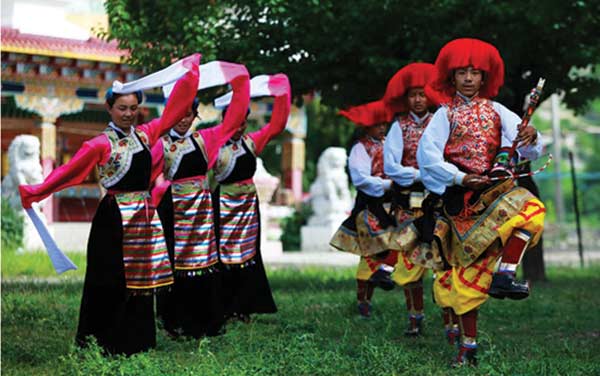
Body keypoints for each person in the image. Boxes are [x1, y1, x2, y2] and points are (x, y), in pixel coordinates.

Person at [18, 54, 200, 355]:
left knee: (142, 278)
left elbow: (177, 108)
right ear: (110, 109)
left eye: (133, 108)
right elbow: (67, 172)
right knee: (110, 279)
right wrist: (37, 190)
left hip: (144, 216)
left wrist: (189, 74)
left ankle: (139, 341)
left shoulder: (146, 134)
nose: (128, 114)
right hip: (114, 218)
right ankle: (104, 341)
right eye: (122, 108)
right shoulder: (99, 144)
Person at [417, 38, 546, 365]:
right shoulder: (444, 115)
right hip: (462, 198)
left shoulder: (498, 110)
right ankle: (468, 346)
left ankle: (505, 273)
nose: (469, 78)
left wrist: (532, 137)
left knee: (531, 210)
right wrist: (461, 178)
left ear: (484, 77)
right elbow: (427, 158)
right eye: (463, 73)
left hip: (496, 190)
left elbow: (526, 146)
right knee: (465, 275)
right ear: (453, 77)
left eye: (475, 73)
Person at [153, 63, 250, 337]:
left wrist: (240, 81)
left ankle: (207, 321)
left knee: (206, 263)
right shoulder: (159, 144)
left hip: (203, 210)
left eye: (190, 114)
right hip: (173, 209)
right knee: (174, 264)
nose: (183, 120)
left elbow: (236, 116)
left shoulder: (206, 139)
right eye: (179, 114)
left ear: (196, 116)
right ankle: (173, 321)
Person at [212, 74, 291, 321]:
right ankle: (223, 306)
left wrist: (282, 94)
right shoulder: (212, 143)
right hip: (222, 203)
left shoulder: (251, 142)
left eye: (244, 121)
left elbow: (277, 125)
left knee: (247, 256)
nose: (241, 125)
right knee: (221, 255)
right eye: (236, 120)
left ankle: (244, 306)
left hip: (247, 206)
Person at [382, 62, 438, 335]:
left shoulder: (442, 121)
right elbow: (391, 166)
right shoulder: (399, 126)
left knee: (441, 256)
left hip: (438, 199)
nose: (417, 100)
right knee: (409, 260)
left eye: (422, 94)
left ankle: (452, 320)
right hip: (409, 201)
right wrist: (420, 174)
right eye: (413, 94)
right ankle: (415, 318)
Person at [330, 100, 398, 318]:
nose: (381, 128)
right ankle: (363, 301)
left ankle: (376, 288)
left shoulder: (390, 144)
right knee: (370, 253)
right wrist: (388, 184)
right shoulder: (360, 148)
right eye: (377, 124)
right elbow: (361, 179)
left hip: (392, 205)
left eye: (383, 124)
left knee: (394, 246)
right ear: (367, 126)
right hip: (370, 207)